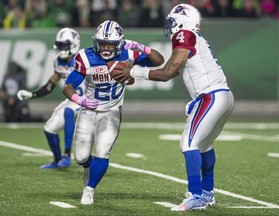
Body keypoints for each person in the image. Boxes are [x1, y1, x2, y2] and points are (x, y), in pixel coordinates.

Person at [113, 4, 235, 211]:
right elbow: (171, 71)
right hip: (223, 96)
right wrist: (137, 72)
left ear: (182, 21)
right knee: (204, 146)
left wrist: (134, 72)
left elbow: (169, 71)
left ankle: (196, 195)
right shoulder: (195, 39)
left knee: (188, 144)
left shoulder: (184, 34)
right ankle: (207, 192)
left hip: (211, 96)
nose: (170, 26)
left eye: (172, 21)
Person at [63, 20, 164, 205]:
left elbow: (160, 61)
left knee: (102, 152)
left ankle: (89, 189)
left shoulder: (129, 53)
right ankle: (88, 167)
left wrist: (144, 48)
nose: (106, 47)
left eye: (110, 43)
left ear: (119, 43)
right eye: (102, 43)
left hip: (111, 111)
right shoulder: (85, 57)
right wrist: (80, 100)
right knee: (80, 157)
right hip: (88, 109)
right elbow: (68, 86)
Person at [17, 27, 84, 169]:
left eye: (63, 45)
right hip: (72, 99)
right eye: (59, 45)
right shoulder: (58, 61)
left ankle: (67, 154)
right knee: (49, 129)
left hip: (86, 98)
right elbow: (51, 83)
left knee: (68, 112)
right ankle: (57, 159)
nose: (61, 49)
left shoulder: (83, 59)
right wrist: (32, 94)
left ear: (74, 45)